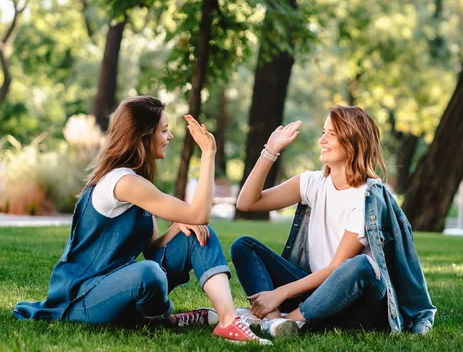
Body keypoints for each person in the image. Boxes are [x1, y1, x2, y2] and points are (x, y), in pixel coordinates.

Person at [14, 96, 271, 345]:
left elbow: (153, 248)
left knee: (199, 233)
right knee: (149, 272)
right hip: (82, 298)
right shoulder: (122, 182)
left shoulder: (138, 181)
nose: (169, 137)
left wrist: (179, 229)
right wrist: (208, 153)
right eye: (164, 130)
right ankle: (163, 318)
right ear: (144, 135)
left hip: (118, 287)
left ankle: (228, 321)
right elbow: (199, 212)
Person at [231, 105, 436, 337]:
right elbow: (247, 203)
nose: (322, 140)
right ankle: (274, 321)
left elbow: (337, 267)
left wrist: (281, 293)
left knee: (361, 265)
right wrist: (271, 150)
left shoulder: (366, 195)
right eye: (323, 132)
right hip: (316, 293)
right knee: (244, 246)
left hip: (358, 300)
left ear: (353, 142)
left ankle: (291, 319)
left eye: (332, 134)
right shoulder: (313, 183)